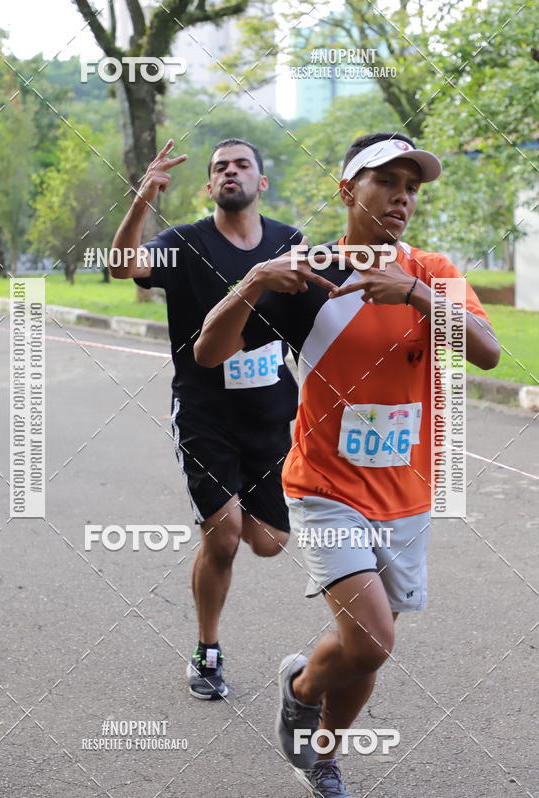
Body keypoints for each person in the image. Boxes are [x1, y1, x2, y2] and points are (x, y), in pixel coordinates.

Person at [194, 131, 500, 796]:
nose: (402, 197)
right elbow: (208, 353)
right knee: (372, 640)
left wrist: (414, 294)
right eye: (386, 181)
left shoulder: (435, 272)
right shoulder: (307, 276)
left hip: (407, 493)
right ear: (347, 190)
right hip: (325, 487)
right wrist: (251, 281)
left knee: (366, 647)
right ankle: (303, 686)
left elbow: (486, 352)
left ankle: (321, 750)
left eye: (412, 187)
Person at [110, 137, 302, 700]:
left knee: (267, 542)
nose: (230, 172)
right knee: (224, 537)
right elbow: (124, 266)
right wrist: (143, 197)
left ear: (261, 182)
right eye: (220, 168)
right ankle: (208, 649)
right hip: (204, 413)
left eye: (243, 163)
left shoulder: (290, 241)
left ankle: (229, 510)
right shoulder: (185, 243)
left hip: (269, 416)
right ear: (209, 185)